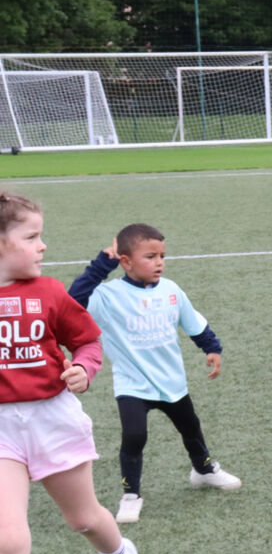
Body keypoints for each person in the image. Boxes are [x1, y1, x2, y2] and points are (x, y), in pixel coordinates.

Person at [0, 193, 153, 554]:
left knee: (85, 519)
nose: (43, 246)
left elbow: (88, 342)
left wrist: (83, 369)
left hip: (51, 419)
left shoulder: (48, 293)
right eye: (31, 237)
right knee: (8, 539)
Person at [67, 223, 238, 525]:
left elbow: (192, 320)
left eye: (162, 256)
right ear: (125, 261)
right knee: (135, 436)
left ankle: (204, 470)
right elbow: (73, 301)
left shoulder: (171, 290)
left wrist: (211, 347)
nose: (159, 262)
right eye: (150, 257)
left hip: (172, 382)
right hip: (132, 385)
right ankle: (131, 494)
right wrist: (101, 264)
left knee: (191, 428)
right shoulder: (107, 296)